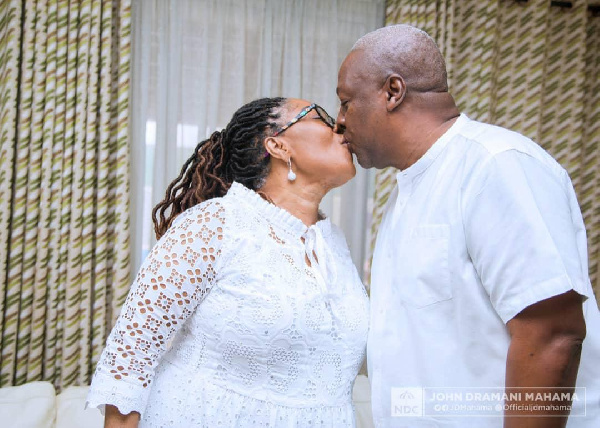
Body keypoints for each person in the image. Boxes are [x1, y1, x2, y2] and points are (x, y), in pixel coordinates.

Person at [336, 24, 600, 428]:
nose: (339, 123)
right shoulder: (406, 191)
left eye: (346, 102)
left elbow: (552, 334)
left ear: (392, 92)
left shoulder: (496, 165)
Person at [87, 97, 370, 428]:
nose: (337, 124)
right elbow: (131, 360)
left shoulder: (334, 244)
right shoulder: (213, 225)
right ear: (277, 146)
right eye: (318, 115)